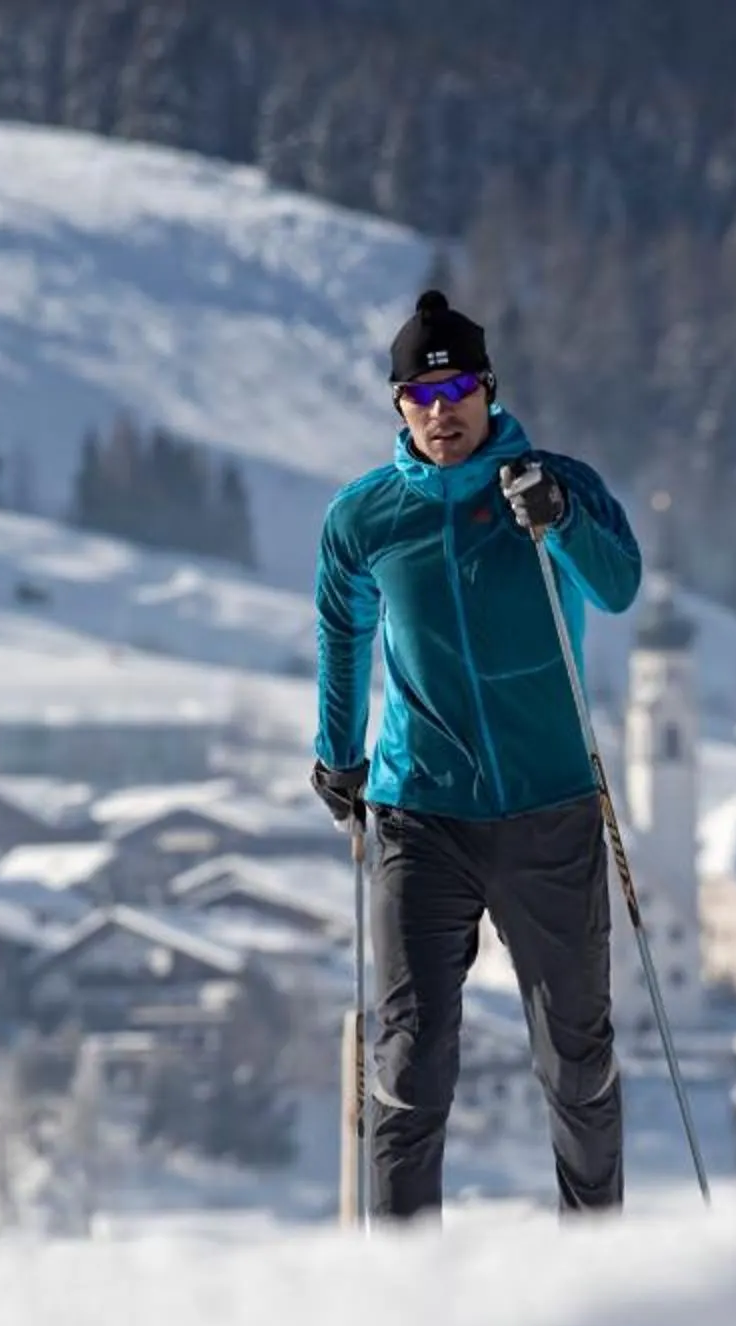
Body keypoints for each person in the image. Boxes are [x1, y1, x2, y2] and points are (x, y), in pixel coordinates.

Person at [311, 290, 644, 1220]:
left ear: (489, 389)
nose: (441, 408)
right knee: (410, 1060)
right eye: (420, 394)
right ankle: (402, 1271)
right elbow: (343, 632)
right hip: (423, 815)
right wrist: (338, 756)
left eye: (457, 387)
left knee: (576, 1061)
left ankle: (598, 1255)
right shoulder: (366, 517)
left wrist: (560, 518)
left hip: (550, 806)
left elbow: (619, 587)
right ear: (398, 405)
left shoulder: (553, 484)